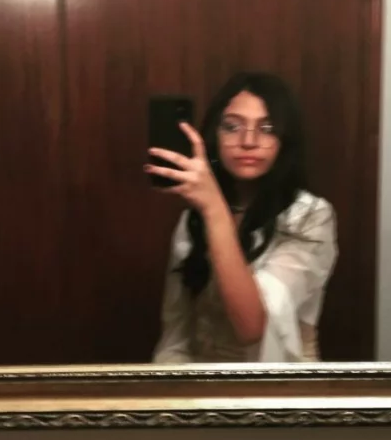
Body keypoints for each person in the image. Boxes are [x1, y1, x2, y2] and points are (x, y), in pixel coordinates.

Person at [144, 72, 337, 364]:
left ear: (285, 140)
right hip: (200, 385)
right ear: (215, 135)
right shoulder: (193, 219)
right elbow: (177, 334)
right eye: (232, 127)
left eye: (267, 128)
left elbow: (252, 328)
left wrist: (214, 208)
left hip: (280, 385)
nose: (248, 141)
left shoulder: (309, 216)